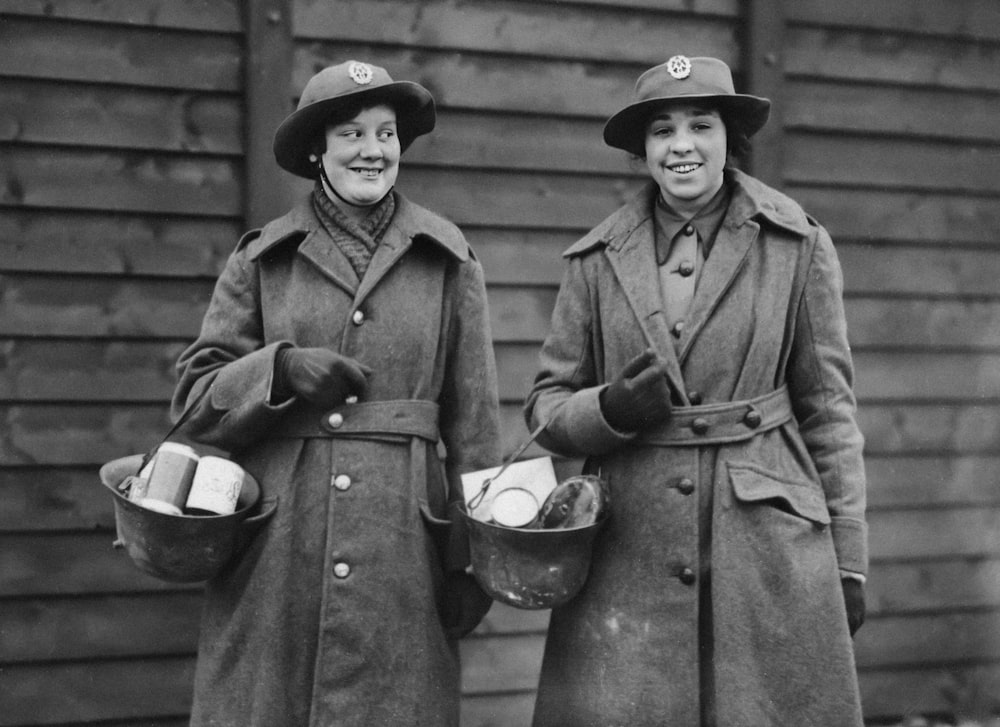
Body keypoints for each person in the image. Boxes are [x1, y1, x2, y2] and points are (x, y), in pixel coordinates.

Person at [524, 56, 867, 726]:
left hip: (764, 540)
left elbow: (828, 411)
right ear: (644, 151)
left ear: (728, 138)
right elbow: (545, 408)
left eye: (699, 125)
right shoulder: (595, 260)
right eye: (662, 130)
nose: (681, 144)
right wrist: (608, 410)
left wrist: (849, 554)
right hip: (629, 545)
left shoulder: (795, 244)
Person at [172, 60, 501, 726]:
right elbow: (194, 402)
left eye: (385, 134)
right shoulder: (263, 258)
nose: (372, 150)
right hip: (277, 545)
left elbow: (475, 427)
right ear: (319, 149)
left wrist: (473, 560)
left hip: (404, 543)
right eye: (351, 133)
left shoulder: (448, 257)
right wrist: (280, 369)